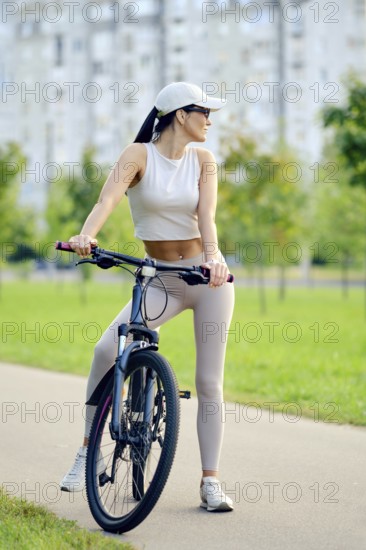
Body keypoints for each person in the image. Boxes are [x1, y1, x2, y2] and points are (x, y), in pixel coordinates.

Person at [59, 81, 235, 512]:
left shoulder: (204, 160)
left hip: (204, 279)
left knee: (210, 383)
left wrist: (213, 260)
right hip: (159, 279)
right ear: (180, 114)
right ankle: (86, 450)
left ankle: (210, 482)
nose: (210, 120)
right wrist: (87, 235)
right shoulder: (138, 156)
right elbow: (107, 200)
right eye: (204, 112)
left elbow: (206, 218)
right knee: (106, 349)